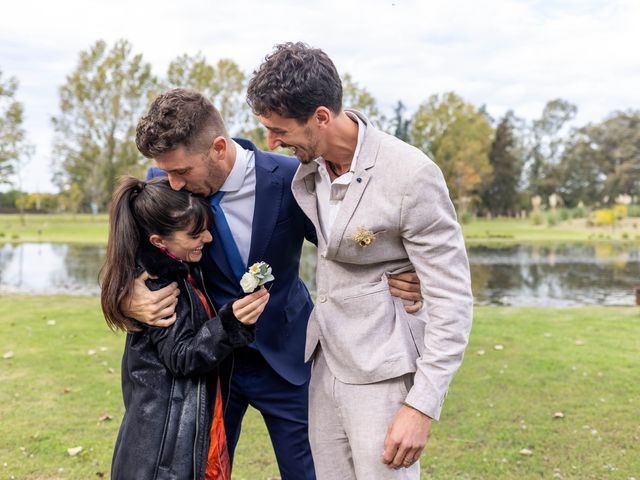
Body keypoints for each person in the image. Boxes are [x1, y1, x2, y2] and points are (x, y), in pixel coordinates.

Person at [123, 88, 423, 479]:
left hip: (288, 361)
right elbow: (132, 256)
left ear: (217, 147)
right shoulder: (163, 187)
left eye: (181, 171)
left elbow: (346, 241)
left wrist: (410, 269)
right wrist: (124, 297)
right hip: (209, 368)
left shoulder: (291, 178)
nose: (174, 183)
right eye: (167, 172)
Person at [246, 42, 473, 479]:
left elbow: (453, 300)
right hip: (323, 364)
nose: (271, 142)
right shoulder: (306, 170)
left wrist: (421, 406)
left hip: (384, 376)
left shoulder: (411, 175)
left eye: (278, 130)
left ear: (321, 117)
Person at [100, 176, 269, 479]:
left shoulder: (180, 269)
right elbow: (182, 356)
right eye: (195, 234)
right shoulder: (159, 284)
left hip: (175, 430)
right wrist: (231, 323)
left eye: (206, 228)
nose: (207, 238)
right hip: (166, 444)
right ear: (158, 242)